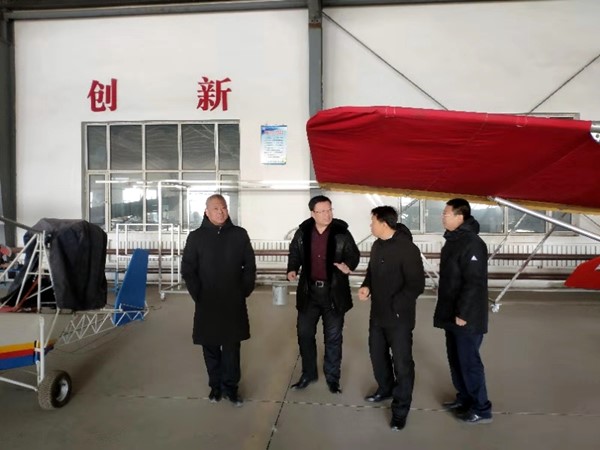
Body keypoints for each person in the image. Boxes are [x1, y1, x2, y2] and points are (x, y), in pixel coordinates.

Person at [181, 194, 256, 407]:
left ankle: (231, 388)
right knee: (211, 346)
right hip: (207, 301)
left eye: (223, 208)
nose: (220, 212)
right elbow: (188, 269)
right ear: (206, 212)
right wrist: (198, 294)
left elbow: (249, 265)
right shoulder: (196, 237)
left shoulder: (239, 235)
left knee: (232, 348)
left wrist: (244, 290)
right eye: (215, 208)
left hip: (233, 300)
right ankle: (215, 386)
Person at [358, 206, 425, 431]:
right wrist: (366, 286)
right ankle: (385, 388)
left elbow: (416, 285)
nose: (371, 225)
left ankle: (400, 410)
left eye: (373, 221)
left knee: (402, 364)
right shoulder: (377, 245)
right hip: (377, 315)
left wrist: (396, 306)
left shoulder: (408, 249)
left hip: (399, 319)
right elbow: (371, 272)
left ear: (384, 223)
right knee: (377, 356)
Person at [287, 195, 360, 394]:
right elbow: (294, 253)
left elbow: (353, 254)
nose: (327, 215)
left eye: (329, 210)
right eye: (322, 211)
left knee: (333, 338)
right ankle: (308, 373)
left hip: (333, 293)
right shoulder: (303, 232)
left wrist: (348, 265)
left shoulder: (341, 233)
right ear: (313, 213)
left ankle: (332, 378)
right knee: (304, 334)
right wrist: (292, 268)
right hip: (309, 292)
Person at [434, 198, 493, 424]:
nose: (443, 217)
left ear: (460, 217)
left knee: (469, 362)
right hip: (452, 313)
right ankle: (465, 398)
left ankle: (481, 408)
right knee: (456, 359)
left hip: (466, 316)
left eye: (446, 213)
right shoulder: (453, 241)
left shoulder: (472, 243)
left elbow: (474, 282)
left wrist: (464, 313)